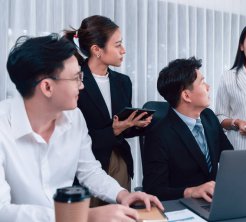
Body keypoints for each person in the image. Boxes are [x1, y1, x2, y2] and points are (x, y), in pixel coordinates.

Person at [0, 34, 162, 222]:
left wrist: (123, 195)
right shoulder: (3, 125)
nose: (82, 85)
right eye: (76, 78)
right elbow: (2, 210)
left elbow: (89, 170)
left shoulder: (74, 117)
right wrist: (85, 216)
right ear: (47, 87)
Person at [64, 15, 151, 196]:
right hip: (84, 167)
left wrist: (136, 124)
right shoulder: (73, 81)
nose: (124, 50)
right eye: (118, 45)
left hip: (120, 161)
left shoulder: (123, 82)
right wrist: (115, 130)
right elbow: (72, 137)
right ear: (97, 49)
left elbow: (122, 125)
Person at [142, 57, 234, 201]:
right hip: (182, 206)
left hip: (215, 201)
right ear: (186, 95)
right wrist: (191, 192)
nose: (208, 87)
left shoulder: (209, 117)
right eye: (202, 82)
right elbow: (154, 190)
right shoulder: (159, 135)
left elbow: (229, 156)